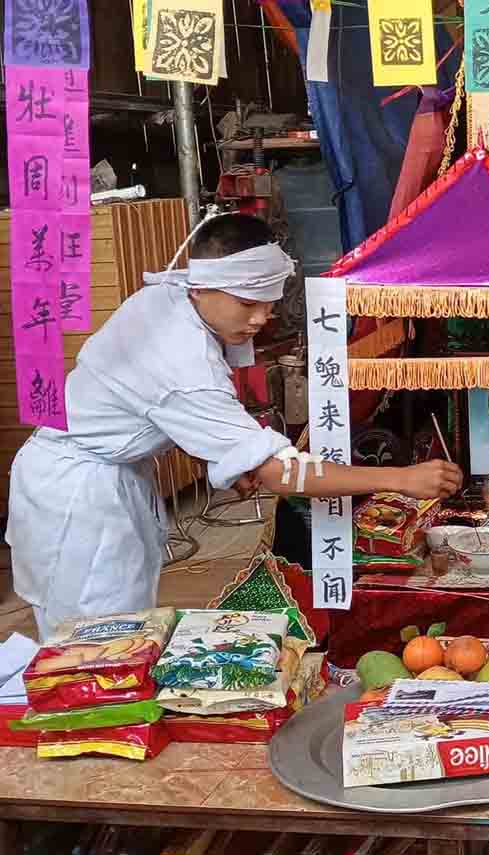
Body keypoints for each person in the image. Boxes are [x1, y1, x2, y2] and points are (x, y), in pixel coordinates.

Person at [6, 213, 463, 639]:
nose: (260, 319)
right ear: (204, 287)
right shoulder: (183, 361)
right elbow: (278, 473)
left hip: (101, 474)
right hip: (78, 495)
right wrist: (400, 479)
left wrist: (223, 452)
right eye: (247, 303)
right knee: (92, 641)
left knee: (124, 629)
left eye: (268, 304)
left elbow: (150, 405)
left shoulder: (171, 296)